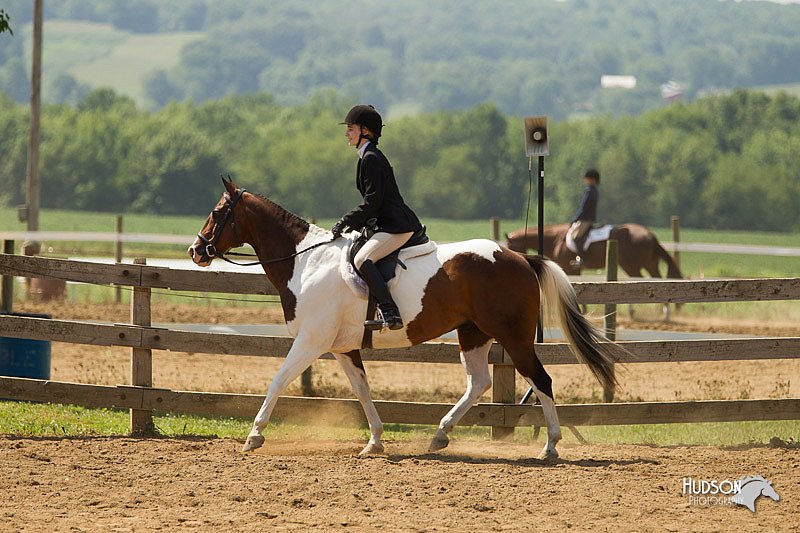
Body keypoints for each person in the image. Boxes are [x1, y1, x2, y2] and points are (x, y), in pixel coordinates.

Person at [332, 104, 423, 330]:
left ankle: (390, 311)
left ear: (366, 131)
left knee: (363, 259)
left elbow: (373, 201)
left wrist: (347, 220)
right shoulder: (366, 156)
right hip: (385, 223)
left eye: (351, 129)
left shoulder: (371, 158)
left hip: (396, 226)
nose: (347, 133)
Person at [569, 168, 600, 268]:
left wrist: (575, 219)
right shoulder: (595, 190)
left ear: (592, 179)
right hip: (590, 219)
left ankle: (581, 259)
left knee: (576, 237)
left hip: (585, 219)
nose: (585, 180)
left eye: (587, 178)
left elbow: (583, 207)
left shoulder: (589, 190)